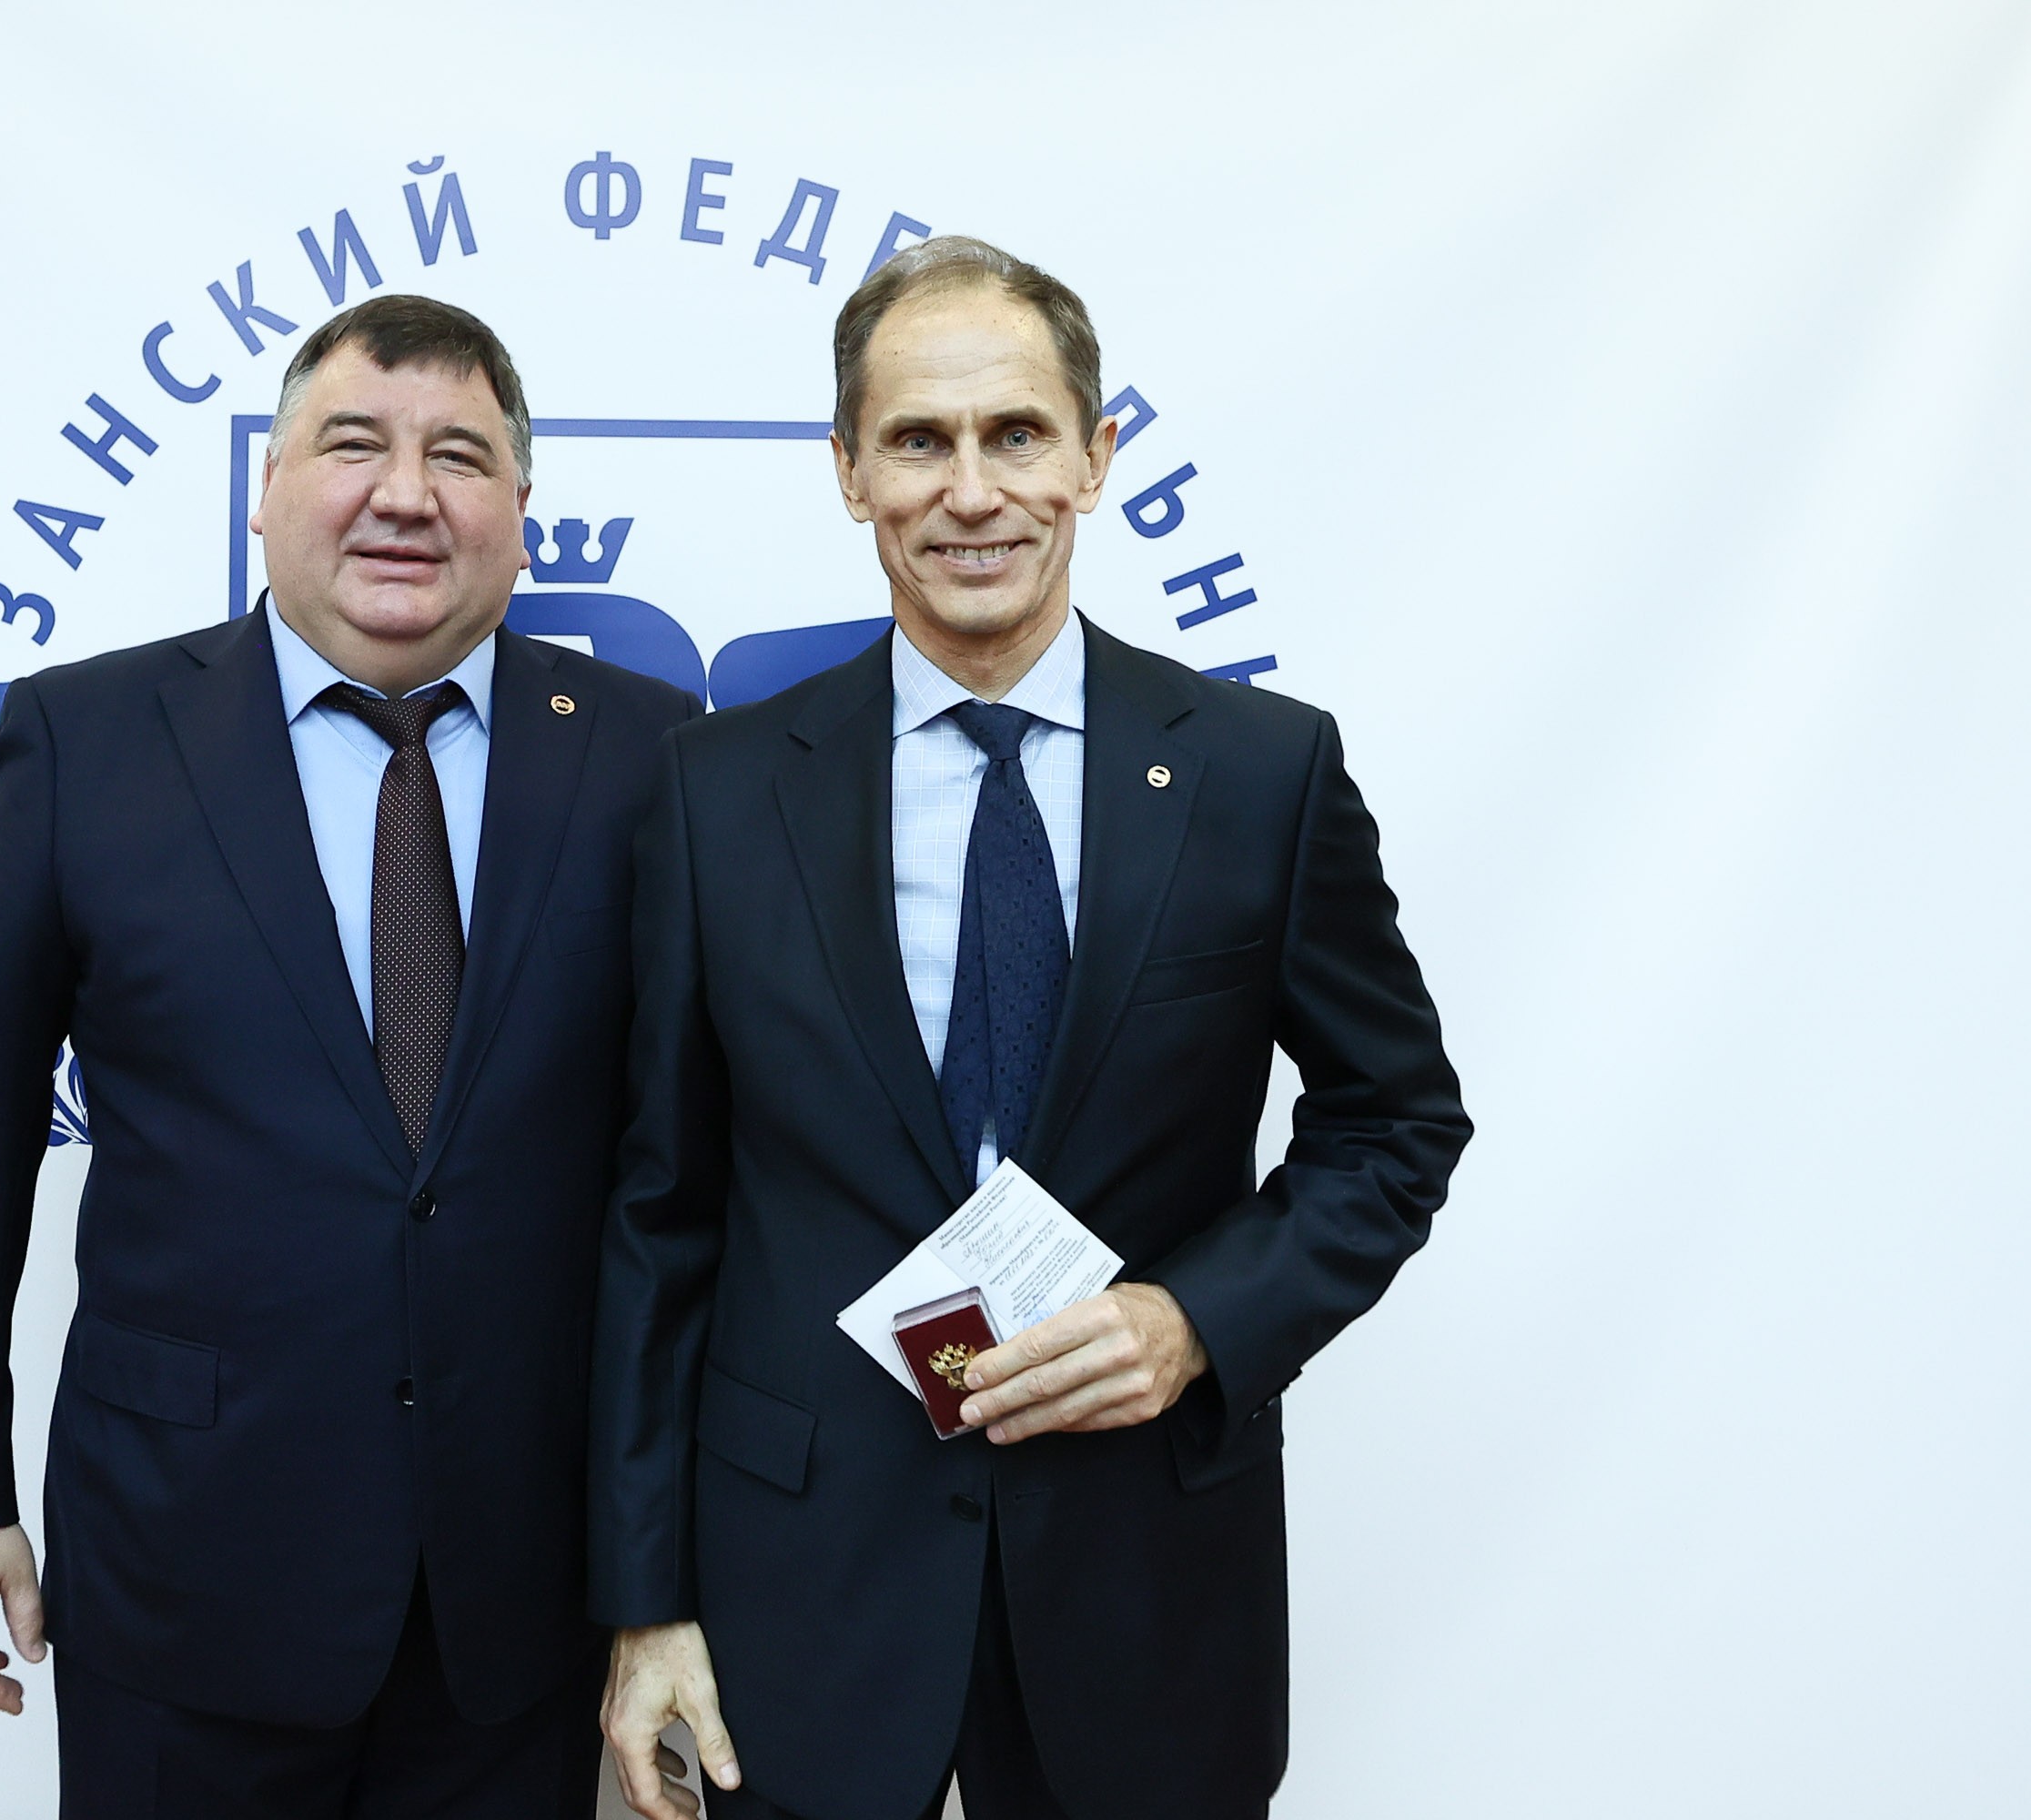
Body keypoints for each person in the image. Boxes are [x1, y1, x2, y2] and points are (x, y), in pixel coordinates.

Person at [589, 238, 1471, 1820]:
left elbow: (1394, 1122)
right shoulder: (717, 793)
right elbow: (664, 1212)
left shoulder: (1259, 775)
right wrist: (644, 1603)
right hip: (802, 1586)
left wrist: (1195, 1319)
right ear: (849, 471)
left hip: (1143, 1576)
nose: (971, 491)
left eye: (1015, 434)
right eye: (918, 441)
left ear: (1094, 457)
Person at [0, 293, 698, 1817]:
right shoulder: (88, 740)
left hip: (522, 1593)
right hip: (184, 1566)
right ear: (267, 485)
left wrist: (675, 1560)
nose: (405, 494)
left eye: (459, 456)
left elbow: (694, 1163)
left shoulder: (653, 751)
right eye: (354, 443)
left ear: (521, 511)